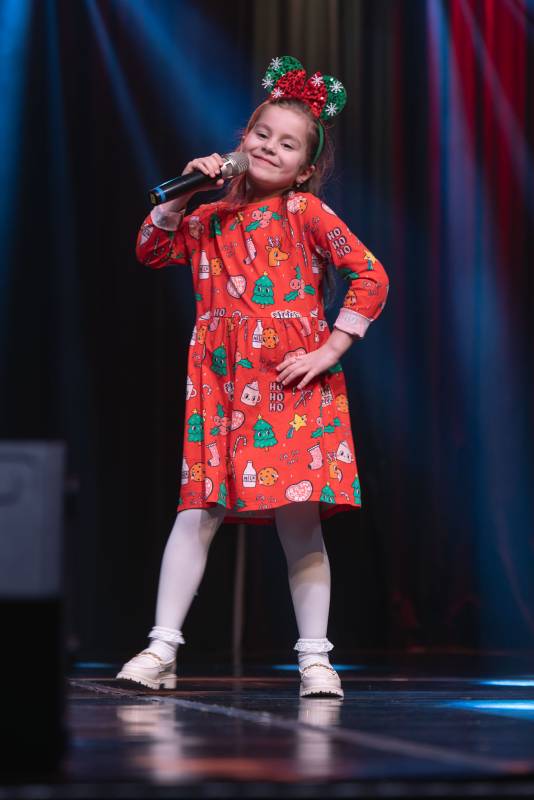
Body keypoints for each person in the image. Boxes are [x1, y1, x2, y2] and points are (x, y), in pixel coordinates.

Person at [116, 56, 389, 698]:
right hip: (219, 383)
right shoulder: (208, 218)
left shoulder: (305, 211)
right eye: (261, 134)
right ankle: (161, 648)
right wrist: (184, 190)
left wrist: (330, 349)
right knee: (198, 509)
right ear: (241, 140)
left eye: (288, 144)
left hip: (290, 383)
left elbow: (370, 274)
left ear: (305, 168)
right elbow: (151, 249)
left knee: (299, 520)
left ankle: (316, 658)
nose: (270, 148)